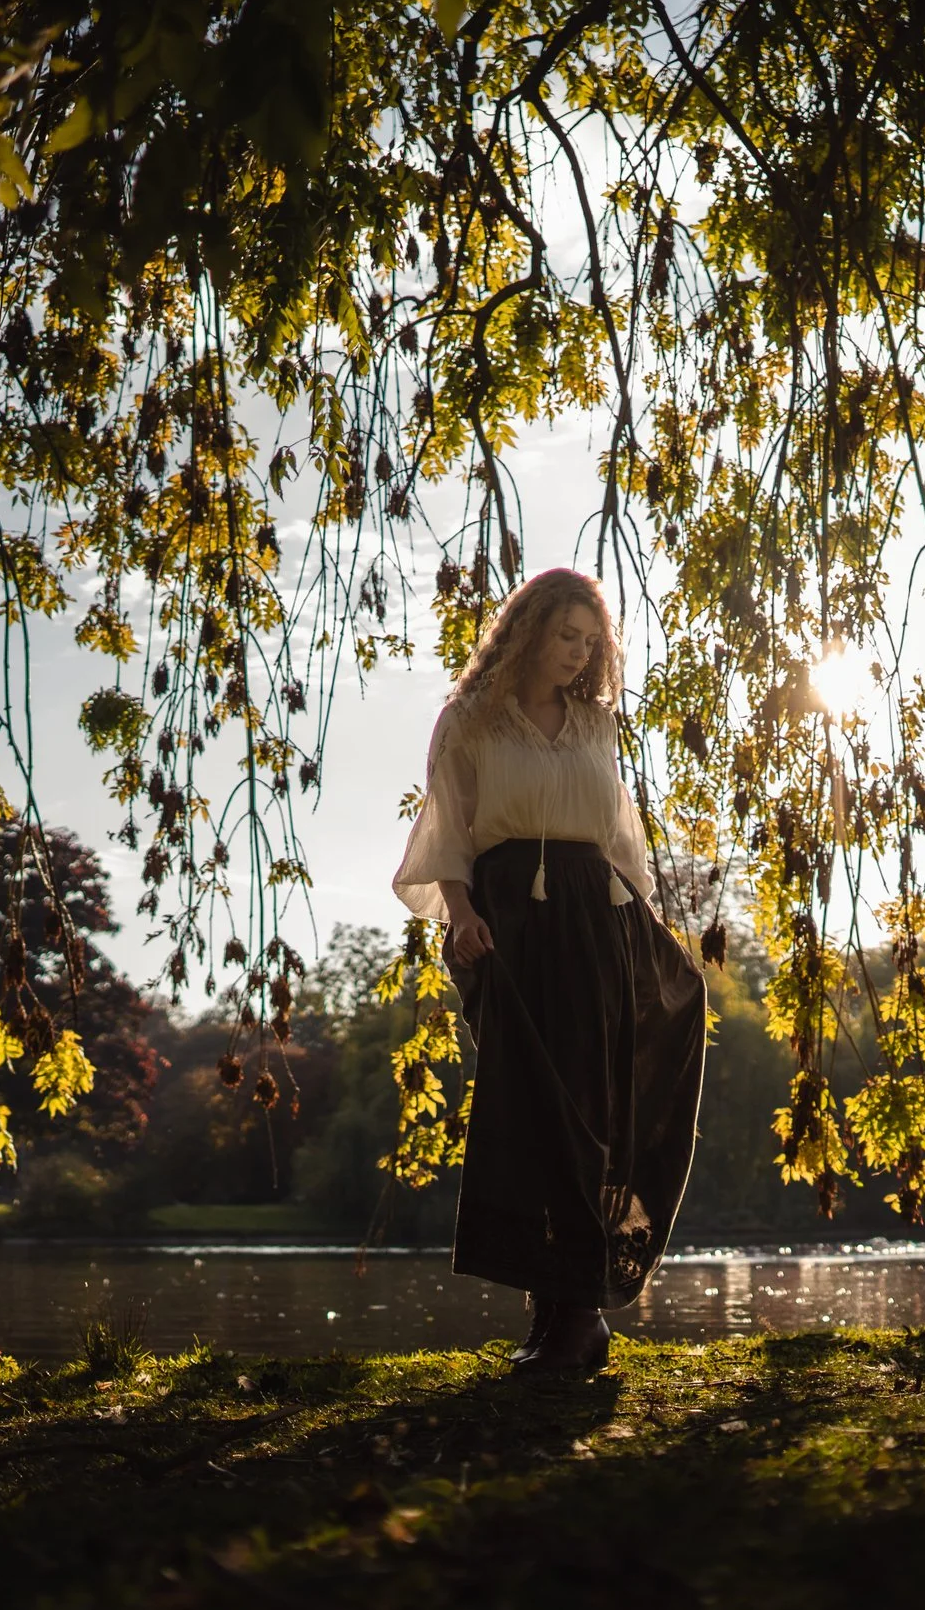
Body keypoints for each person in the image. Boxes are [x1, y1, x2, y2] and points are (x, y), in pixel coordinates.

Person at [392, 568, 709, 1375]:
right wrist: (461, 914)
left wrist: (653, 937)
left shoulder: (598, 725)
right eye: (566, 635)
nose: (577, 653)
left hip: (596, 924)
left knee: (589, 1110)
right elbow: (448, 831)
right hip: (510, 923)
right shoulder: (470, 719)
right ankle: (557, 1315)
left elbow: (621, 844)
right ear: (527, 629)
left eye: (590, 641)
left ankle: (573, 1316)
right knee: (532, 1110)